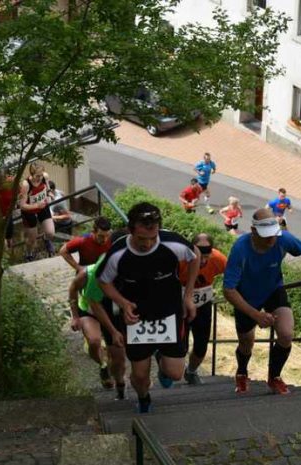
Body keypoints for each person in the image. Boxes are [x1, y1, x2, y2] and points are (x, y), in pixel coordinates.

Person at [97, 202, 199, 413]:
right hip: (137, 316)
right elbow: (103, 282)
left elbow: (194, 255)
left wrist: (188, 295)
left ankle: (162, 359)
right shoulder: (118, 253)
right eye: (142, 239)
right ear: (131, 230)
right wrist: (123, 303)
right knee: (140, 375)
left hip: (169, 312)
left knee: (175, 374)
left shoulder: (172, 243)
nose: (148, 244)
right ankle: (144, 399)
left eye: (153, 238)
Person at [223, 208, 301, 395]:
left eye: (274, 235)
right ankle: (242, 372)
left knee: (286, 334)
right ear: (253, 230)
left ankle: (274, 377)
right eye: (266, 236)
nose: (271, 240)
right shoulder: (240, 249)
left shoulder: (283, 238)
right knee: (246, 343)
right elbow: (228, 290)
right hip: (246, 297)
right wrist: (256, 315)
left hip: (273, 289)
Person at [68, 256, 127, 398]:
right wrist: (75, 316)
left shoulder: (125, 272)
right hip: (89, 311)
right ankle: (102, 365)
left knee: (118, 355)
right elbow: (72, 290)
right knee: (94, 341)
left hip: (112, 313)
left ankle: (118, 378)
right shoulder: (86, 273)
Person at [178, 233, 227, 385]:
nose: (202, 261)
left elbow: (233, 274)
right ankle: (166, 364)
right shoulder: (179, 259)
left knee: (201, 346)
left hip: (203, 304)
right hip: (180, 304)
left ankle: (191, 371)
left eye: (206, 256)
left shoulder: (218, 259)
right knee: (181, 346)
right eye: (199, 255)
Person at [18, 162, 55, 261]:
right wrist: (36, 205)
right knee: (32, 239)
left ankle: (46, 239)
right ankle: (29, 253)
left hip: (42, 207)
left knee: (51, 233)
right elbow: (22, 206)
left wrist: (50, 194)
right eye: (37, 176)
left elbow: (47, 189)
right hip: (29, 211)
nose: (39, 178)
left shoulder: (45, 177)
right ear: (31, 174)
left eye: (41, 175)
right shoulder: (26, 185)